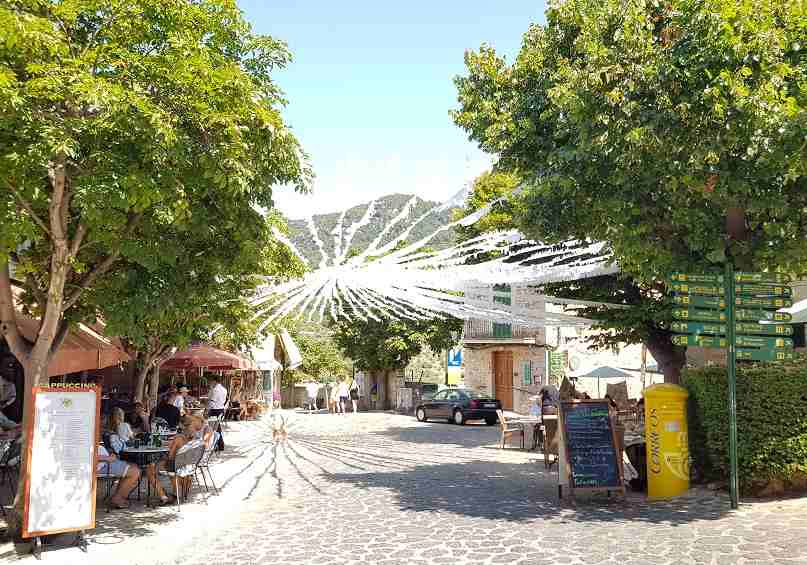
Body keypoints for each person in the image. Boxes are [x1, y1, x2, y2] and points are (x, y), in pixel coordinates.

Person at [146, 415, 202, 505]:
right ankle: (175, 493)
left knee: (149, 468)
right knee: (162, 465)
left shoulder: (178, 439)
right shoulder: (196, 438)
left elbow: (170, 456)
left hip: (176, 467)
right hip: (189, 467)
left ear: (182, 426)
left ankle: (163, 496)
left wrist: (163, 456)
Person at [97, 443, 140, 509]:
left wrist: (110, 454)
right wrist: (109, 458)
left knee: (134, 465)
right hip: (103, 465)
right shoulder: (85, 438)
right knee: (135, 471)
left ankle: (119, 496)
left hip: (106, 462)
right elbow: (90, 454)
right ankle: (117, 499)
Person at [206, 375, 227, 451]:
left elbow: (212, 402)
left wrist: (207, 409)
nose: (211, 382)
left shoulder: (215, 390)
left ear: (214, 381)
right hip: (221, 409)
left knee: (214, 428)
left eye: (211, 381)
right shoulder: (224, 389)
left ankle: (219, 444)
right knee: (216, 428)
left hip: (215, 410)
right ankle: (218, 444)